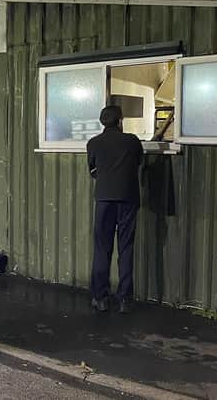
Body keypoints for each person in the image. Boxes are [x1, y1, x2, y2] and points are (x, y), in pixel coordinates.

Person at [86, 106, 143, 314]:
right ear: (120, 121)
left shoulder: (93, 143)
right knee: (126, 248)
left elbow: (93, 171)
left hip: (104, 200)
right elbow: (138, 163)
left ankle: (100, 297)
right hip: (128, 199)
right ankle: (125, 300)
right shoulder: (132, 141)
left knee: (102, 248)